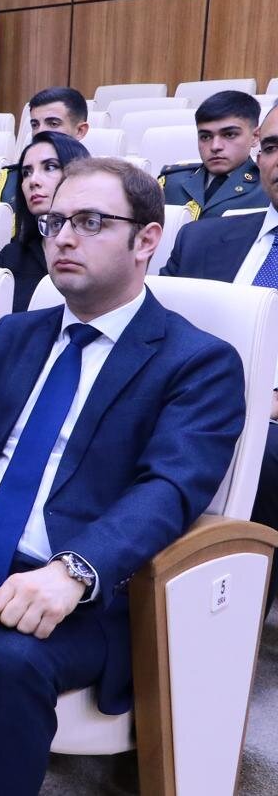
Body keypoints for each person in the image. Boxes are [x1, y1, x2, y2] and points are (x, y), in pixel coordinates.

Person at [0, 157, 245, 795]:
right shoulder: (17, 335)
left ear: (146, 239)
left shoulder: (199, 362)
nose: (63, 238)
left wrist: (74, 570)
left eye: (90, 222)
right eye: (54, 222)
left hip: (87, 589)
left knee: (9, 656)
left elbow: (168, 490)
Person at [161, 102, 278, 603]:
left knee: (264, 453)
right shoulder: (202, 239)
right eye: (271, 147)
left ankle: (234, 617)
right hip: (193, 400)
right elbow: (154, 331)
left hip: (266, 424)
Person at [0, 132, 92, 312]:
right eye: (26, 173)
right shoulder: (12, 256)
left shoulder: (102, 250)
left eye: (50, 167)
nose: (33, 181)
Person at [159, 90, 266, 220]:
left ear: (255, 136)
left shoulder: (268, 188)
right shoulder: (171, 183)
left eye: (229, 135)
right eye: (205, 137)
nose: (215, 146)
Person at [0, 87, 90, 215]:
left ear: (80, 131)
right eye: (35, 125)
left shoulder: (96, 180)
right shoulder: (9, 182)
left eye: (53, 124)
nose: (40, 132)